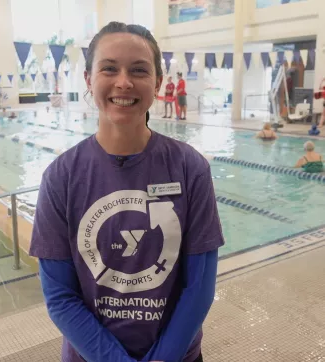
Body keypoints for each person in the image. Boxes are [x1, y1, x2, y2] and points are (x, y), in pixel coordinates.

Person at [30, 21, 224, 362]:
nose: (124, 82)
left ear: (158, 83)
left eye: (139, 70)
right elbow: (60, 296)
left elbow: (199, 288)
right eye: (109, 68)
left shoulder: (190, 167)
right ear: (89, 79)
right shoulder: (61, 177)